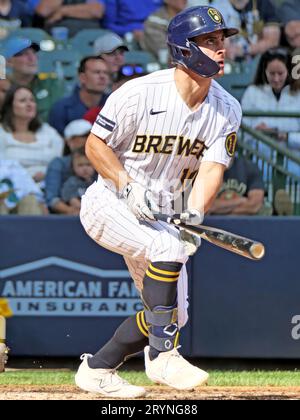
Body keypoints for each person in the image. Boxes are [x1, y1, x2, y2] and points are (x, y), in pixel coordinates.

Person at [76, 5, 242, 398]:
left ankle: (97, 370)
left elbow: (212, 168)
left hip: (162, 216)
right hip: (110, 202)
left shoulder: (227, 108)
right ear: (184, 49)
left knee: (172, 314)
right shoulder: (138, 92)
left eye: (222, 41)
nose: (221, 49)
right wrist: (127, 183)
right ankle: (163, 357)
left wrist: (196, 211)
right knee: (169, 248)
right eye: (209, 41)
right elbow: (94, 145)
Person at [241, 48, 300, 177]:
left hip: (294, 165)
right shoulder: (252, 92)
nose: (276, 78)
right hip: (259, 163)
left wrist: (287, 136)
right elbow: (241, 132)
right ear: (264, 72)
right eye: (271, 73)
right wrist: (256, 131)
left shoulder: (298, 95)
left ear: (289, 71)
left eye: (280, 73)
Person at [0, 85, 64, 187]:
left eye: (32, 100)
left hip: (50, 187)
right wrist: (27, 177)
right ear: (10, 106)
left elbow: (58, 163)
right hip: (13, 189)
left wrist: (46, 174)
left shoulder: (48, 131)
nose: (30, 104)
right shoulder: (2, 133)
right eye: (23, 101)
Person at [48, 56, 110, 136]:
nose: (102, 77)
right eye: (97, 72)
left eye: (106, 73)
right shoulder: (61, 108)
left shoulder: (115, 106)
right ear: (82, 78)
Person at [6, 37, 64, 121]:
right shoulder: (3, 88)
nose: (32, 58)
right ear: (9, 61)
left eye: (34, 53)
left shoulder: (51, 84)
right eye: (24, 54)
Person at [45, 119, 92, 214]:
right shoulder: (58, 163)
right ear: (69, 141)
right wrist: (71, 211)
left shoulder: (100, 162)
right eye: (84, 136)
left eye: (91, 135)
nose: (89, 139)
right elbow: (52, 199)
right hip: (67, 220)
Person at [211, 0, 280, 61]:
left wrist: (246, 50)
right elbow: (225, 49)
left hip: (259, 61)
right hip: (229, 65)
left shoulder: (264, 3)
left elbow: (273, 41)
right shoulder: (216, 8)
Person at [34, 0, 105, 37]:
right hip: (59, 37)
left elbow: (96, 11)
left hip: (89, 37)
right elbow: (43, 11)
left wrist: (62, 11)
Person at [61, 147, 97, 212]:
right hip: (80, 214)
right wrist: (88, 210)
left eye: (88, 164)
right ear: (73, 167)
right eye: (80, 165)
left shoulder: (98, 182)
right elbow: (73, 201)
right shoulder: (72, 182)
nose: (85, 168)